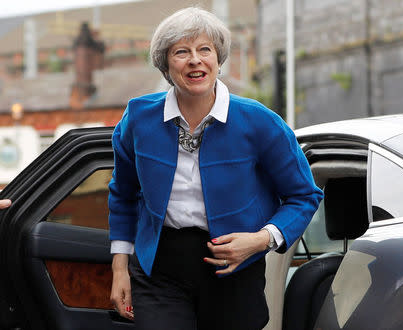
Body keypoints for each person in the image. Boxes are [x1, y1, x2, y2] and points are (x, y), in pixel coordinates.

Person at [108, 7, 323, 330]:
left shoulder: (260, 122)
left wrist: (261, 240)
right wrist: (119, 269)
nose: (195, 59)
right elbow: (122, 194)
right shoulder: (139, 118)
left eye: (204, 49)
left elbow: (304, 195)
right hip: (159, 270)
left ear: (218, 60)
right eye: (182, 52)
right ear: (166, 65)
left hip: (235, 270)